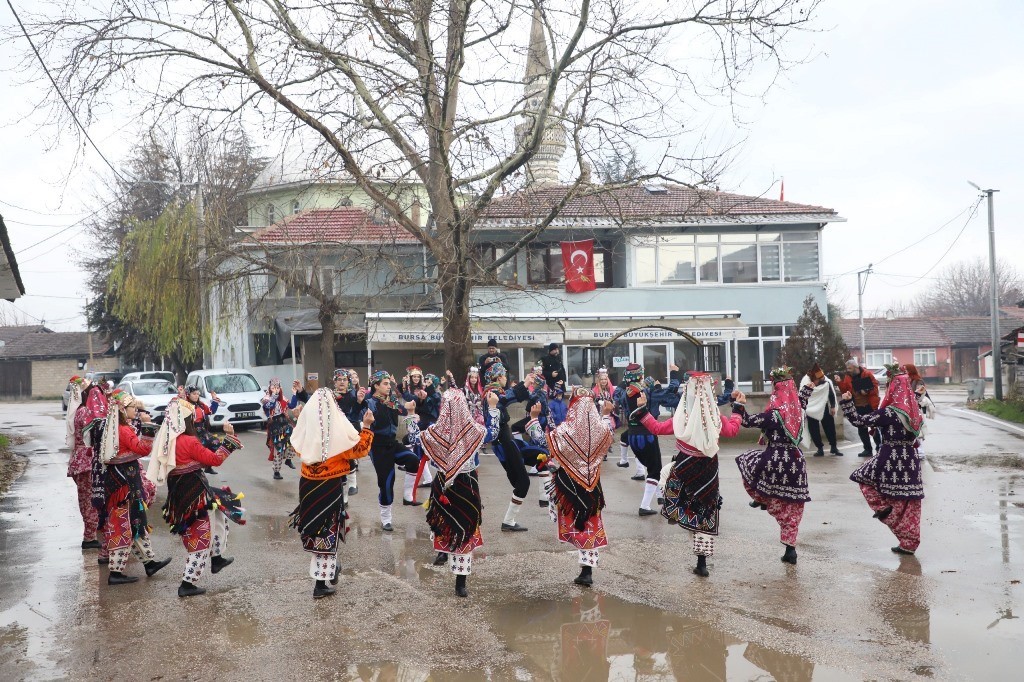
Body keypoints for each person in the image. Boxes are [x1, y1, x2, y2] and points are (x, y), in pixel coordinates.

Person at [636, 373, 742, 577]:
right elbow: (732, 431)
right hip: (709, 469)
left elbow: (656, 428)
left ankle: (674, 511)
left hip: (685, 466)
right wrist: (737, 409)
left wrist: (642, 410)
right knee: (706, 509)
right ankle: (701, 562)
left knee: (666, 475)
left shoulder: (681, 417)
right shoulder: (715, 417)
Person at [148, 398, 245, 598]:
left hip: (179, 494)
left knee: (218, 513)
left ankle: (216, 557)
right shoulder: (189, 441)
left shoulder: (168, 440)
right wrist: (229, 438)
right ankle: (187, 583)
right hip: (195, 494)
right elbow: (214, 460)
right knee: (201, 537)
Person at [289, 388, 374, 599]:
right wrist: (367, 427)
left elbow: (298, 446)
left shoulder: (306, 431)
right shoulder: (337, 434)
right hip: (329, 486)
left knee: (315, 527)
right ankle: (320, 583)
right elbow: (360, 449)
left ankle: (330, 569)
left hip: (308, 485)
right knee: (328, 529)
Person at [417, 388, 498, 597]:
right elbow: (494, 432)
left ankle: (443, 553)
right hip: (467, 483)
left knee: (444, 521)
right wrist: (493, 408)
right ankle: (460, 583)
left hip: (444, 483)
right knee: (465, 527)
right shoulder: (475, 430)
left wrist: (410, 417)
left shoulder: (435, 431)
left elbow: (416, 438)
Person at [841, 364, 925, 555]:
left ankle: (883, 508)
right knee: (910, 502)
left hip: (889, 457)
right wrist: (917, 397)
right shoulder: (914, 413)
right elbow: (913, 403)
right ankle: (909, 543)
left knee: (862, 477)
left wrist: (847, 403)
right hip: (910, 460)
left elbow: (858, 421)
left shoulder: (888, 413)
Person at [734, 367, 812, 565]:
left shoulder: (775, 415)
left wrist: (738, 405)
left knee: (746, 460)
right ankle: (790, 549)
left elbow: (748, 421)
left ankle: (761, 498)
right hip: (797, 462)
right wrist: (807, 391)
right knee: (793, 508)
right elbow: (800, 401)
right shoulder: (797, 411)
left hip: (775, 460)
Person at [97, 389, 172, 584]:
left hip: (121, 481)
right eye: (133, 408)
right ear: (122, 409)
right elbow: (142, 449)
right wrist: (147, 427)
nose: (136, 411)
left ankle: (149, 563)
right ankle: (115, 572)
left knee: (135, 522)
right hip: (124, 485)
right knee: (124, 526)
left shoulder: (114, 427)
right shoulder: (123, 429)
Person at [546, 388, 614, 587]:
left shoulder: (565, 431)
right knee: (591, 521)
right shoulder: (602, 429)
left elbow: (546, 441)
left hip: (570, 484)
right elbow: (609, 431)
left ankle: (585, 570)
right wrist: (606, 415)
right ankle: (587, 569)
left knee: (576, 520)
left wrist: (533, 420)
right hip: (593, 484)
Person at [361, 370, 422, 531]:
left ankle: (407, 497)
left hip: (392, 443)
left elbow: (402, 409)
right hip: (378, 447)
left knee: (413, 460)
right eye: (385, 384)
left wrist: (410, 408)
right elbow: (362, 414)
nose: (389, 386)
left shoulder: (392, 400)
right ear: (375, 386)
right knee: (387, 483)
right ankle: (386, 518)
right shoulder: (370, 402)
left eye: (389, 383)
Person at [620, 363, 682, 515]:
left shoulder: (624, 393)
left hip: (632, 434)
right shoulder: (645, 392)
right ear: (640, 375)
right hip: (647, 434)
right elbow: (670, 395)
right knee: (655, 470)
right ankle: (645, 506)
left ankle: (660, 496)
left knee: (653, 468)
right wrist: (674, 376)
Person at [483, 362, 531, 531]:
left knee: (520, 481)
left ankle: (509, 521)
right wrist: (524, 384)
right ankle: (508, 521)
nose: (505, 378)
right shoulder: (492, 393)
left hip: (505, 441)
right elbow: (506, 398)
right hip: (504, 442)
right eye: (503, 375)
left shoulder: (492, 391)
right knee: (522, 482)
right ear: (498, 377)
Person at [69, 377, 103, 553]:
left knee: (87, 498)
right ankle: (89, 537)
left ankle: (90, 535)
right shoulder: (86, 412)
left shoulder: (80, 410)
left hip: (81, 459)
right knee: (89, 499)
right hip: (87, 460)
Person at [836, 359, 880, 457]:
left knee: (874, 427)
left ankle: (879, 448)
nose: (848, 370)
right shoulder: (848, 377)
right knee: (861, 429)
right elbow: (845, 390)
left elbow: (875, 387)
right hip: (858, 406)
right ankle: (867, 449)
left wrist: (867, 391)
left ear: (856, 367)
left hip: (870, 405)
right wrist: (839, 382)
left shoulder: (867, 374)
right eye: (847, 368)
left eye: (850, 368)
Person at [332, 369, 367, 495]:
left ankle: (353, 483)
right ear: (334, 382)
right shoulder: (330, 396)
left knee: (348, 456)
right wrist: (301, 392)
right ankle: (343, 498)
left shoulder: (353, 395)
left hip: (348, 429)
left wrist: (358, 401)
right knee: (337, 463)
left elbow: (356, 412)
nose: (342, 382)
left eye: (344, 380)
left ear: (348, 382)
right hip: (334, 431)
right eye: (339, 380)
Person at [800, 364, 842, 457]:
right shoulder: (805, 381)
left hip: (824, 405)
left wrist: (833, 406)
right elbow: (802, 396)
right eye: (818, 380)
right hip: (810, 408)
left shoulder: (824, 380)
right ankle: (819, 448)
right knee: (813, 429)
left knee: (830, 427)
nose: (821, 381)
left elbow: (830, 392)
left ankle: (834, 447)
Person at [262, 378, 297, 479]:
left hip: (284, 422)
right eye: (273, 387)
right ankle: (276, 471)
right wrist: (274, 395)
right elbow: (270, 406)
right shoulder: (266, 398)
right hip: (275, 425)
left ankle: (289, 460)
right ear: (270, 388)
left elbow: (292, 405)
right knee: (279, 448)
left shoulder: (283, 399)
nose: (276, 389)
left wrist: (295, 394)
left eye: (277, 387)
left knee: (294, 440)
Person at [185, 385, 223, 475]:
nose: (196, 396)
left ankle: (208, 466)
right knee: (198, 448)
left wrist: (214, 399)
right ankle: (194, 469)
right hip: (191, 432)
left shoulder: (201, 405)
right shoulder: (184, 405)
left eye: (198, 394)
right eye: (194, 394)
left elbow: (211, 411)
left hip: (202, 431)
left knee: (216, 443)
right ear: (188, 394)